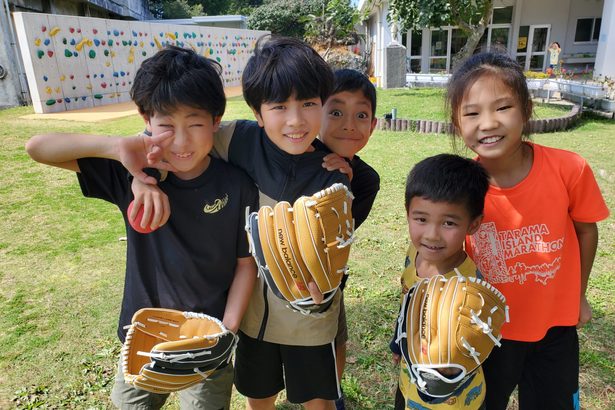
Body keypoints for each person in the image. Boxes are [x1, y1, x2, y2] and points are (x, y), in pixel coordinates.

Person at [132, 66, 381, 410]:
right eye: (278, 106)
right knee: (259, 393)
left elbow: (333, 249)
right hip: (254, 316)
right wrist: (142, 176)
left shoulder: (353, 178)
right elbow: (177, 145)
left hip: (309, 314)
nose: (294, 120)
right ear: (258, 113)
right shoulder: (243, 140)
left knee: (319, 393)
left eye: (306, 104)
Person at [25, 45, 259, 410]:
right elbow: (38, 147)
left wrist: (226, 330)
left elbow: (245, 264)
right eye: (166, 125)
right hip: (143, 340)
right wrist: (118, 147)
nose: (181, 141)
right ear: (146, 119)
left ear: (216, 120)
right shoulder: (130, 175)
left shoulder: (236, 184)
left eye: (195, 124)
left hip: (207, 339)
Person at [447, 52, 609, 409]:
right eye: (472, 113)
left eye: (502, 108)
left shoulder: (570, 169)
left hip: (555, 330)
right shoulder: (460, 188)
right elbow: (444, 251)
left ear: (526, 110)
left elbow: (586, 231)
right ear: (458, 124)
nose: (487, 123)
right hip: (487, 333)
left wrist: (579, 295)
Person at [391, 154, 490, 409]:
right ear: (408, 213)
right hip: (408, 384)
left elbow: (464, 357)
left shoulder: (469, 290)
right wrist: (398, 343)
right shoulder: (414, 254)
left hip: (450, 401)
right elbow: (407, 305)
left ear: (473, 224)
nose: (431, 235)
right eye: (421, 219)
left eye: (448, 222)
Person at [318, 68, 380, 410]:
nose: (348, 124)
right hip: (274, 282)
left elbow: (335, 238)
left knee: (335, 339)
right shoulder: (293, 158)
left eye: (361, 115)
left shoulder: (366, 180)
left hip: (328, 281)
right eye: (336, 111)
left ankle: (334, 393)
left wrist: (344, 187)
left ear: (373, 126)